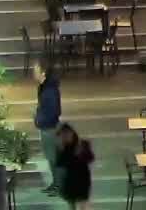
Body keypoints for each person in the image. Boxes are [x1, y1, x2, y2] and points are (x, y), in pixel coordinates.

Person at [33, 59, 63, 194]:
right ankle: (56, 183)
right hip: (46, 126)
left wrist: (41, 120)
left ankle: (59, 185)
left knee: (54, 158)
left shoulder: (49, 89)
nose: (34, 73)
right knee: (51, 158)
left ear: (43, 72)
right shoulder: (44, 87)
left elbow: (55, 110)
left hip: (50, 128)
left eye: (36, 70)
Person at [53, 123, 94, 209]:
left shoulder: (82, 144)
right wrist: (61, 150)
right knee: (71, 203)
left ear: (72, 133)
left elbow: (90, 158)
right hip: (69, 179)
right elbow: (59, 163)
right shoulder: (62, 147)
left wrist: (81, 153)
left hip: (82, 178)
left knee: (83, 202)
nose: (64, 137)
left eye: (66, 134)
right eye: (62, 135)